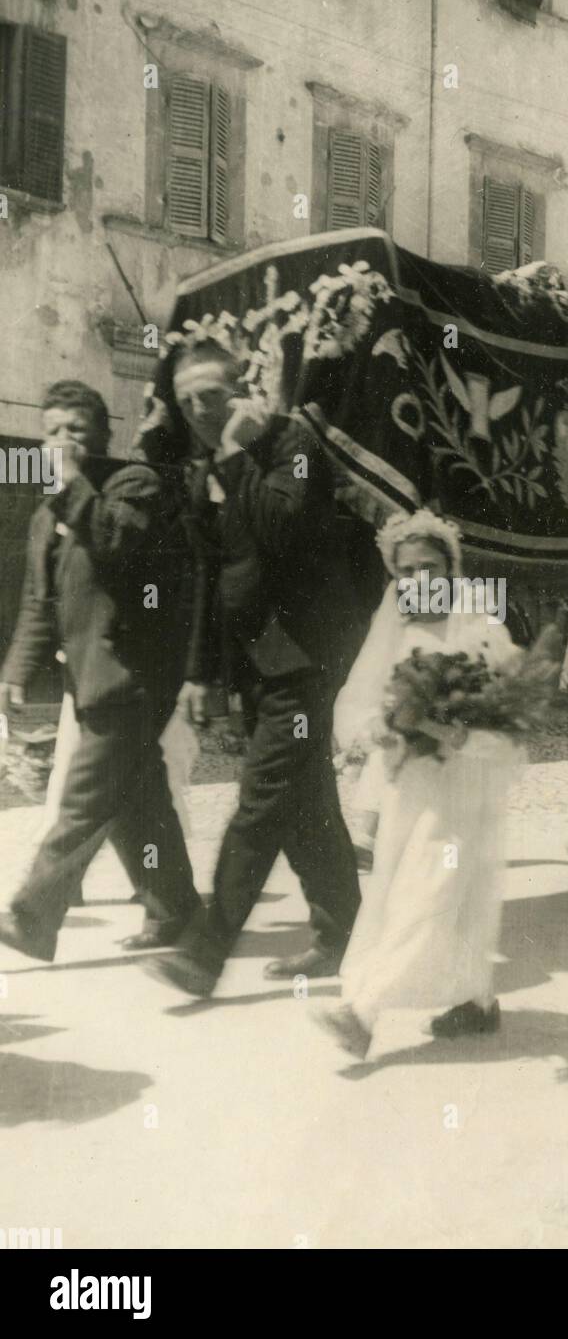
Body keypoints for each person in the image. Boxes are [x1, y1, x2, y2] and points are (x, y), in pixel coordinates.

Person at [147, 341, 361, 998]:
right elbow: (213, 580)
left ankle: (205, 951)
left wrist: (238, 454)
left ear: (245, 389)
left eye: (211, 395)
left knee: (261, 801)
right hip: (256, 664)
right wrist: (199, 673)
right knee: (304, 805)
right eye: (187, 403)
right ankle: (345, 933)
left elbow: (280, 529)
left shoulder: (292, 443)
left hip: (305, 657)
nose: (199, 412)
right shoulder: (204, 468)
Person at [0, 380, 201, 962]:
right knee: (137, 801)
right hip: (87, 678)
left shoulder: (131, 485)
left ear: (102, 436)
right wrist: (15, 672)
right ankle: (176, 911)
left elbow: (119, 544)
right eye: (52, 431)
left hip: (132, 676)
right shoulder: (45, 512)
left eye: (76, 431)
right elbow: (40, 603)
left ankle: (33, 918)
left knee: (84, 799)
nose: (62, 441)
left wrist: (73, 488)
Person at [315, 509, 524, 1059]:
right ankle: (474, 999)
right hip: (409, 785)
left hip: (464, 787)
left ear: (452, 569)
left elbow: (512, 720)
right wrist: (384, 728)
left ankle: (362, 1010)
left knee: (429, 890)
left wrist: (460, 734)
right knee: (408, 890)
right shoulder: (395, 630)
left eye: (430, 567)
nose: (419, 581)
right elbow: (359, 703)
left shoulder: (483, 631)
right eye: (406, 571)